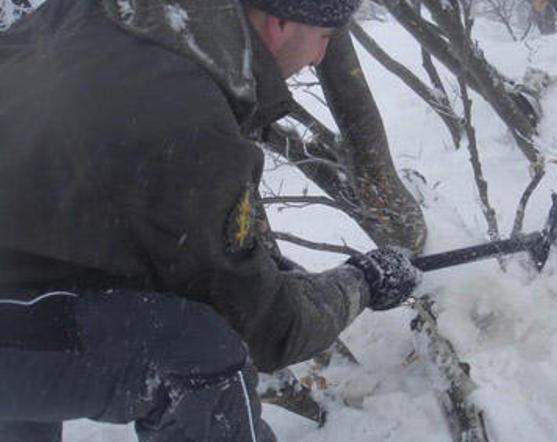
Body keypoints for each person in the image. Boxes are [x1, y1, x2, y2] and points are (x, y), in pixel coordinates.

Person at [0, 0, 422, 440]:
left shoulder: (103, 19)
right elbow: (266, 326)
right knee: (200, 357)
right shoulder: (186, 117)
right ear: (279, 23)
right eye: (324, 39)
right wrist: (361, 283)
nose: (319, 58)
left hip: (20, 283)